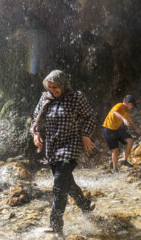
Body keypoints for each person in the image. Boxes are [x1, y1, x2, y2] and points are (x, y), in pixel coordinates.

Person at [31, 70, 96, 234]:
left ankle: (55, 224)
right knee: (68, 184)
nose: (53, 90)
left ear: (63, 84)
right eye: (50, 87)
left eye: (56, 87)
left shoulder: (76, 98)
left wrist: (85, 134)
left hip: (70, 146)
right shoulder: (45, 98)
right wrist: (36, 134)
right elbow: (36, 118)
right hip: (52, 148)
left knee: (59, 185)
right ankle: (86, 206)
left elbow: (90, 117)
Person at [102, 95, 141, 172]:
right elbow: (114, 112)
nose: (132, 107)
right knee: (115, 150)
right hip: (108, 129)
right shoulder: (119, 105)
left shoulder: (126, 111)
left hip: (117, 129)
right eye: (131, 105)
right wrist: (123, 119)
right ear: (126, 102)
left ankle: (125, 161)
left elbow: (130, 121)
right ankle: (115, 169)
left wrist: (137, 129)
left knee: (130, 140)